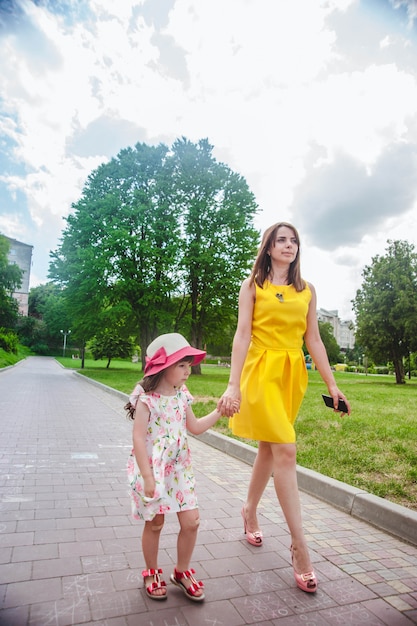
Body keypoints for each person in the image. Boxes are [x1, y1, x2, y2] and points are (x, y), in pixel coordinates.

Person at [217, 222, 351, 594]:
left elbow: (314, 340)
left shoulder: (307, 290)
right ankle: (300, 547)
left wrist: (332, 383)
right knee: (286, 450)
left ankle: (249, 511)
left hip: (292, 375)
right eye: (282, 240)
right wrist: (232, 383)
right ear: (269, 246)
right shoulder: (252, 286)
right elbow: (242, 334)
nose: (289, 245)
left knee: (268, 446)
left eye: (294, 241)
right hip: (259, 371)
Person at [127, 333, 232, 602]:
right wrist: (148, 478)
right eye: (182, 365)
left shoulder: (182, 395)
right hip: (153, 470)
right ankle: (151, 571)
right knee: (156, 523)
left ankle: (181, 571)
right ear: (164, 367)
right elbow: (138, 438)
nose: (188, 371)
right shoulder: (146, 400)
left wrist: (219, 411)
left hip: (180, 469)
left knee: (192, 521)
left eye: (188, 365)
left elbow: (194, 427)